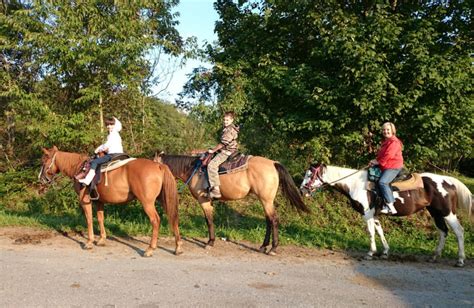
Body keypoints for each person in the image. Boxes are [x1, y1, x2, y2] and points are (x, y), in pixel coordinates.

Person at [369, 122, 403, 214]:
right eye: (384, 130)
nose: (385, 131)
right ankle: (382, 204)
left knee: (383, 182)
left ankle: (391, 205)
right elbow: (382, 156)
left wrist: (378, 162)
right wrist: (374, 161)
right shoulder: (385, 142)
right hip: (386, 166)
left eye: (388, 129)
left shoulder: (394, 142)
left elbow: (389, 155)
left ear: (392, 131)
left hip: (393, 166)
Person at [78, 116, 124, 186]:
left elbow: (106, 146)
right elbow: (119, 126)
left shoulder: (112, 134)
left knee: (94, 162)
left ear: (114, 125)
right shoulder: (116, 133)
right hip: (121, 154)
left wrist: (97, 150)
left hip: (113, 155)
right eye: (108, 125)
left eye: (111, 124)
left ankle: (87, 180)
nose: (109, 126)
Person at [207, 111, 240, 199]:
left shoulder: (229, 129)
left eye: (227, 120)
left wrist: (213, 150)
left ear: (232, 120)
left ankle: (216, 190)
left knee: (211, 166)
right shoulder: (228, 128)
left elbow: (223, 143)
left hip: (227, 151)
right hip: (228, 149)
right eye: (224, 120)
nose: (225, 122)